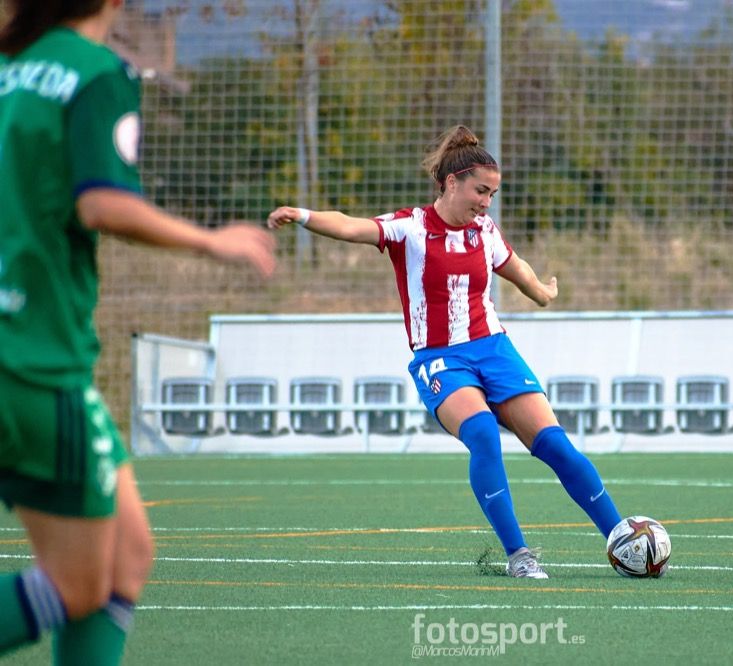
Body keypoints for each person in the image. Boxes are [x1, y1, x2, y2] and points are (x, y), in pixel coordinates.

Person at [0, 1, 276, 662]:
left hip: (25, 345)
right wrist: (211, 241)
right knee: (78, 584)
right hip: (33, 358)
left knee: (127, 555)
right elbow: (102, 202)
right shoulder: (96, 72)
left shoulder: (13, 68)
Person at [267, 125, 621, 579]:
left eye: (492, 194)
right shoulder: (411, 228)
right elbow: (352, 226)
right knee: (483, 434)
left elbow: (515, 267)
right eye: (480, 191)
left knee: (554, 444)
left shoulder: (484, 231)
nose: (486, 203)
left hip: (494, 349)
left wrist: (541, 292)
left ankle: (622, 538)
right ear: (451, 183)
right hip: (441, 359)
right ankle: (519, 555)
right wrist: (303, 215)